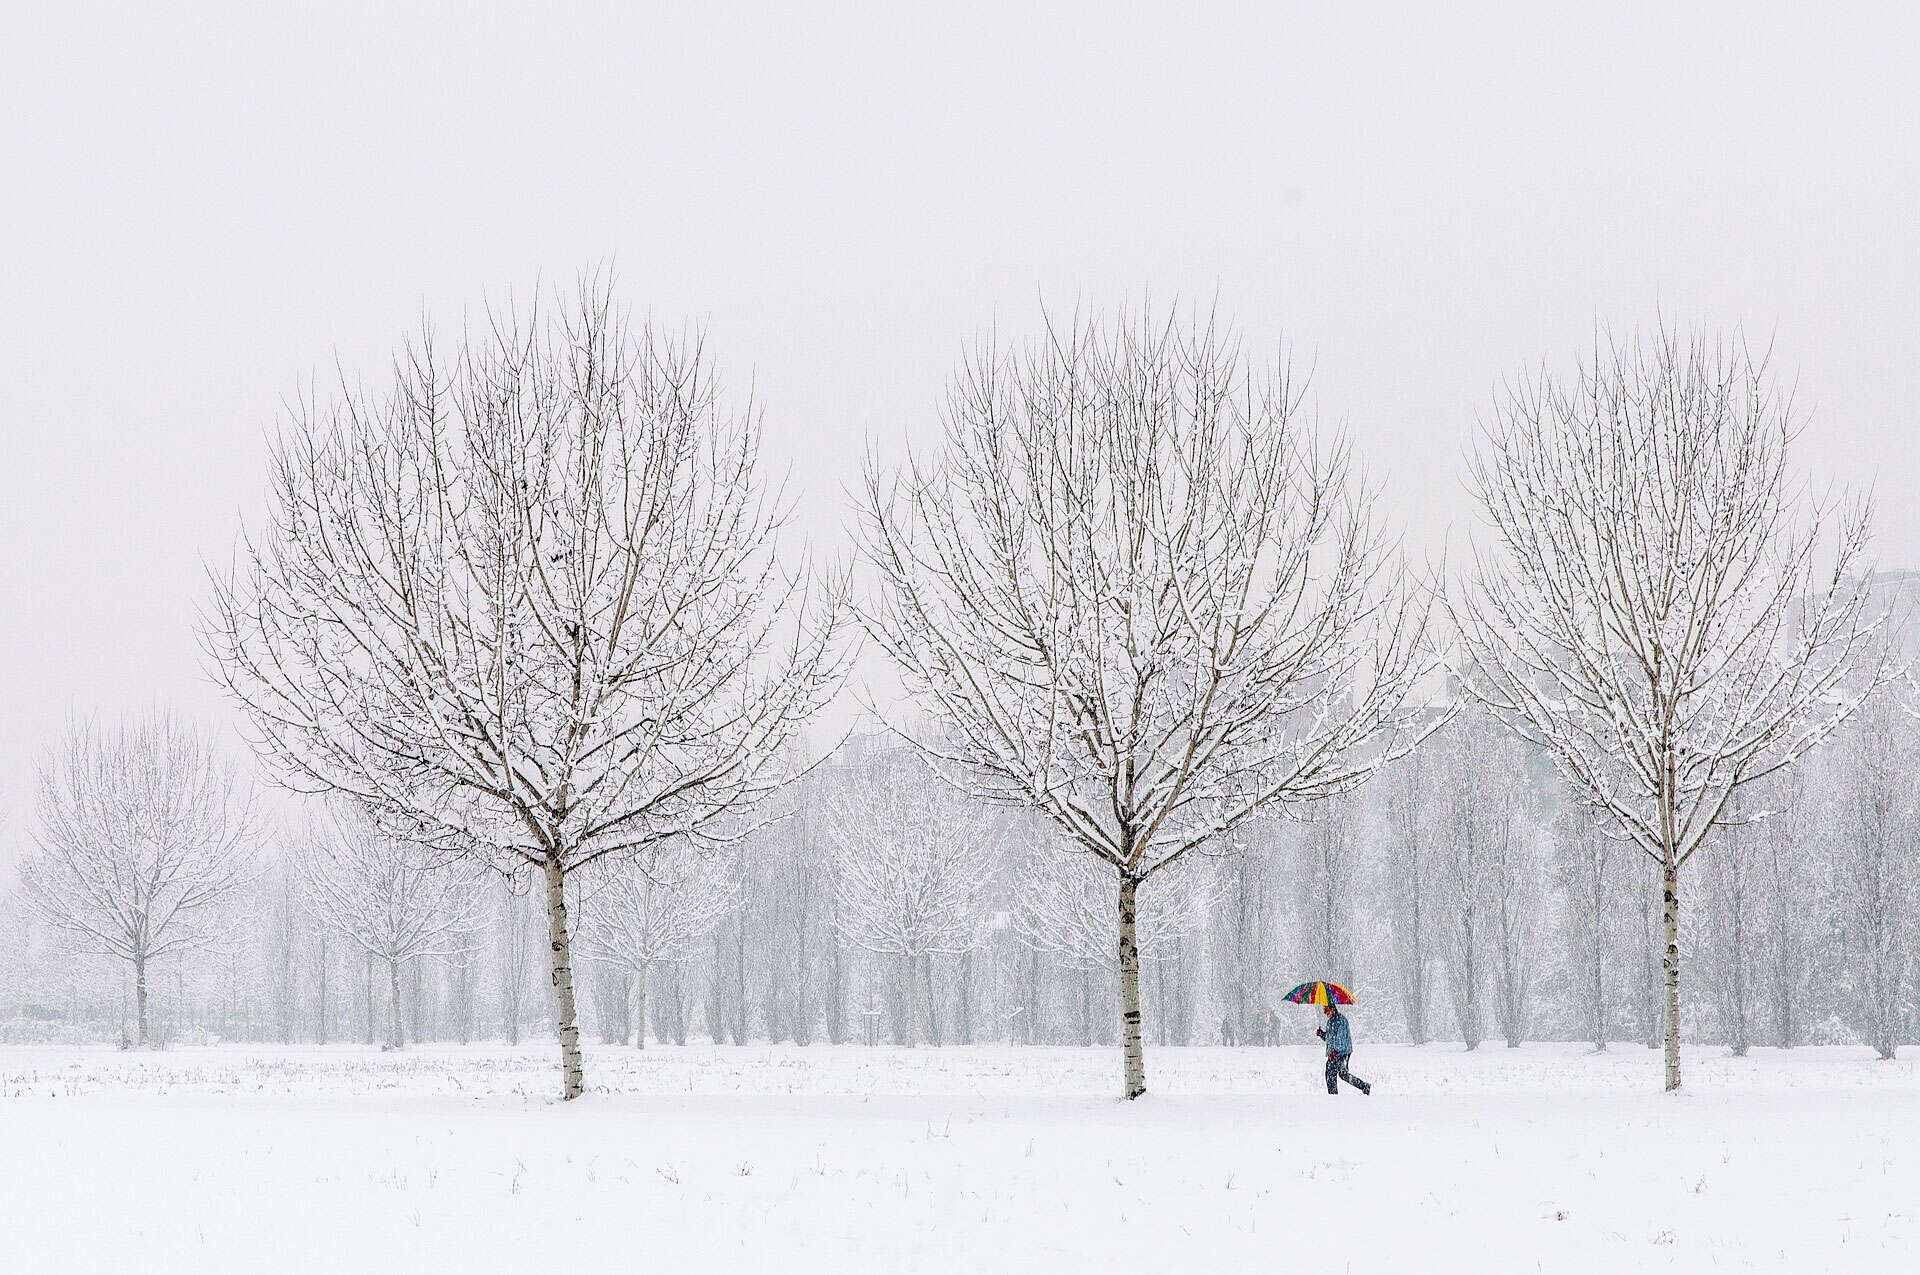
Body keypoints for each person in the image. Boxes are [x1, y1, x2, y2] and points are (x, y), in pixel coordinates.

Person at [1315, 1002, 1372, 1095]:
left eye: (1326, 1010)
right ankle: (1364, 1086)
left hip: (1342, 1052)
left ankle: (1333, 1097)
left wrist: (1335, 1051)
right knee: (1338, 1074)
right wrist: (1322, 1034)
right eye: (1324, 1010)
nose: (1325, 1013)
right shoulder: (1330, 1022)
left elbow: (1341, 1038)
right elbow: (1330, 1038)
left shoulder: (1341, 1021)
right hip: (1333, 1053)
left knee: (1334, 1073)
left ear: (1332, 1009)